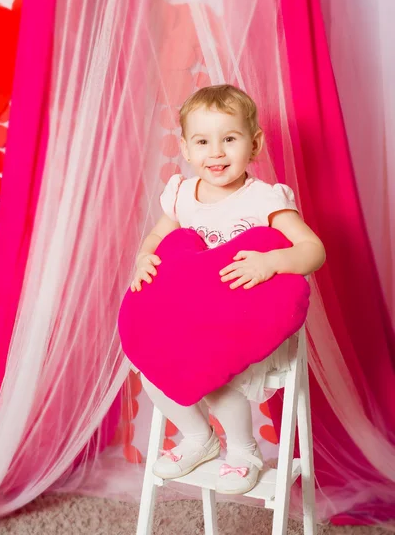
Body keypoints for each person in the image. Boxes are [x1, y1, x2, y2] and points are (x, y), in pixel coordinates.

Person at [130, 84, 325, 495]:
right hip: (192, 322)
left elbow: (313, 249)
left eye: (230, 139)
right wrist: (144, 258)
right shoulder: (182, 194)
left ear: (253, 145)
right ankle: (199, 437)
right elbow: (158, 238)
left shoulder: (264, 200)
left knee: (218, 374)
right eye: (202, 141)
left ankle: (244, 450)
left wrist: (272, 261)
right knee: (149, 369)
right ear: (185, 148)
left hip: (245, 323)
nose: (215, 153)